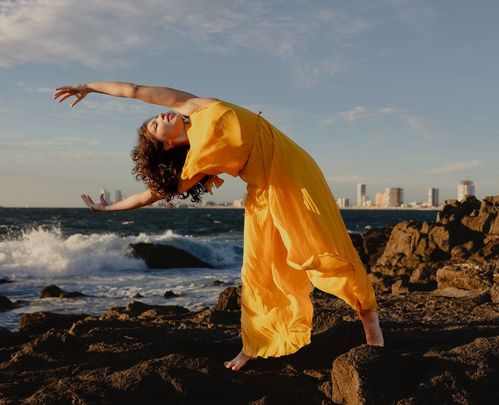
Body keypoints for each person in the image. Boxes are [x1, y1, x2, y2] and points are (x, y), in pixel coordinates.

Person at [53, 82, 384, 371]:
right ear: (166, 145)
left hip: (295, 171)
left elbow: (135, 91)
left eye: (155, 118)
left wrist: (88, 87)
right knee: (259, 268)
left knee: (323, 245)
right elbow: (147, 197)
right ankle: (255, 344)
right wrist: (106, 208)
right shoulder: (194, 166)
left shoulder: (194, 106)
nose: (160, 116)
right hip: (265, 190)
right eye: (155, 125)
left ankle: (368, 316)